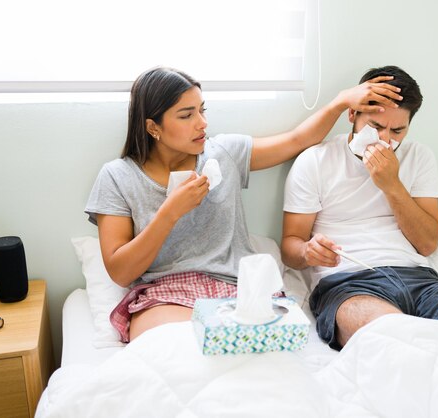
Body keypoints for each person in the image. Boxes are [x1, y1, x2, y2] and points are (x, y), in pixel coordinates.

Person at [84, 66, 402, 343]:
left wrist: (340, 102)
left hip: (239, 290)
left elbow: (298, 140)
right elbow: (121, 271)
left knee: (262, 370)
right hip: (166, 297)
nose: (202, 124)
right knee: (178, 354)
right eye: (186, 115)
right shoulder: (117, 176)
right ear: (153, 127)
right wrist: (170, 212)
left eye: (202, 110)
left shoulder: (223, 152)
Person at [281, 65, 438, 350]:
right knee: (398, 341)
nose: (385, 139)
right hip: (348, 285)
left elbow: (428, 243)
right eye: (376, 127)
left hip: (419, 281)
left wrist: (392, 185)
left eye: (398, 130)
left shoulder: (419, 157)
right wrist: (308, 251)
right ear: (352, 114)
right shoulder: (316, 161)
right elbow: (291, 248)